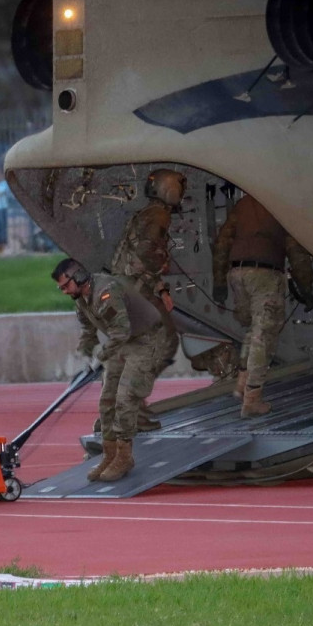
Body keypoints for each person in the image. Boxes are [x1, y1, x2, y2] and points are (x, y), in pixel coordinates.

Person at [52, 257, 165, 483]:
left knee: (125, 397)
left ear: (79, 277)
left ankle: (124, 457)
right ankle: (110, 453)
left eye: (66, 286)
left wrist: (100, 357)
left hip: (143, 339)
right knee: (107, 399)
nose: (64, 291)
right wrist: (83, 355)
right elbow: (88, 330)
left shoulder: (106, 292)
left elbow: (121, 332)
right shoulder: (81, 299)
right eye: (61, 288)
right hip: (121, 343)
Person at [211, 193, 313, 417]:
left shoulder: (243, 205)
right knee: (264, 335)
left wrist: (220, 282)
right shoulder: (279, 204)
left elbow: (222, 243)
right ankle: (252, 400)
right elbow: (296, 252)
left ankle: (242, 382)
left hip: (237, 274)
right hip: (265, 275)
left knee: (254, 329)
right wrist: (306, 289)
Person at [110, 168, 187, 430]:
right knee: (163, 343)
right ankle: (132, 410)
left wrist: (161, 289)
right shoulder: (159, 215)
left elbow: (137, 254)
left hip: (129, 287)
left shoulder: (146, 213)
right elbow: (146, 252)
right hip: (136, 289)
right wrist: (160, 272)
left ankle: (119, 411)